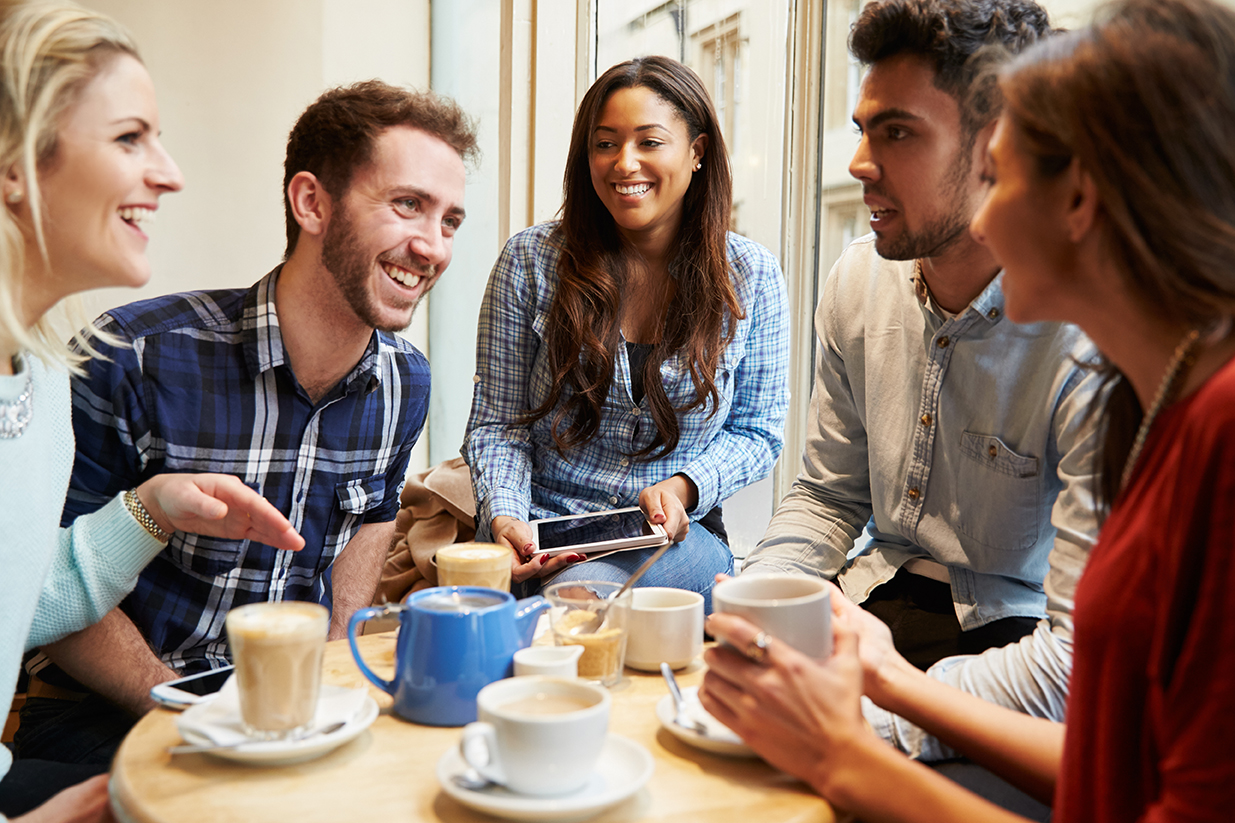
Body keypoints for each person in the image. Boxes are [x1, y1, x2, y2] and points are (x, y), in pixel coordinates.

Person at [702, 0, 1235, 820]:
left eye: (1004, 173)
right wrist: (844, 660)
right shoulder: (1165, 395)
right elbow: (1108, 768)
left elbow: (1095, 720)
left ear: (1081, 197)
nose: (984, 215)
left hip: (995, 642)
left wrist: (851, 747)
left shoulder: (1199, 421)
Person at [14, 78, 477, 769]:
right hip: (116, 710)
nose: (433, 247)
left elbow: (361, 560)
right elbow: (43, 588)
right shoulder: (134, 355)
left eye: (449, 221)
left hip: (283, 707)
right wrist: (190, 710)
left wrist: (337, 692)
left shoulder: (406, 381)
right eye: (408, 205)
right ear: (311, 202)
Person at [741, 0, 1101, 763]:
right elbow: (827, 494)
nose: (858, 162)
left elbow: (1072, 665)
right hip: (875, 596)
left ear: (995, 144)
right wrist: (757, 602)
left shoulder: (1087, 334)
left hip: (1013, 638)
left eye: (896, 131)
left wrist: (869, 721)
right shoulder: (855, 278)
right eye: (862, 129)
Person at [0, 2, 304, 819]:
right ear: (15, 166)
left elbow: (20, 594)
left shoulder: (43, 374)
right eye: (130, 137)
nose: (169, 173)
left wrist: (151, 507)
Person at [463, 56, 789, 611]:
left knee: (576, 607)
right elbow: (498, 424)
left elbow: (759, 431)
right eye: (605, 143)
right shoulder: (530, 262)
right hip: (537, 527)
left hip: (670, 539)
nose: (624, 163)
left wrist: (684, 486)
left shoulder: (751, 275)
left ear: (697, 152)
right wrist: (506, 516)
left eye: (649, 142)